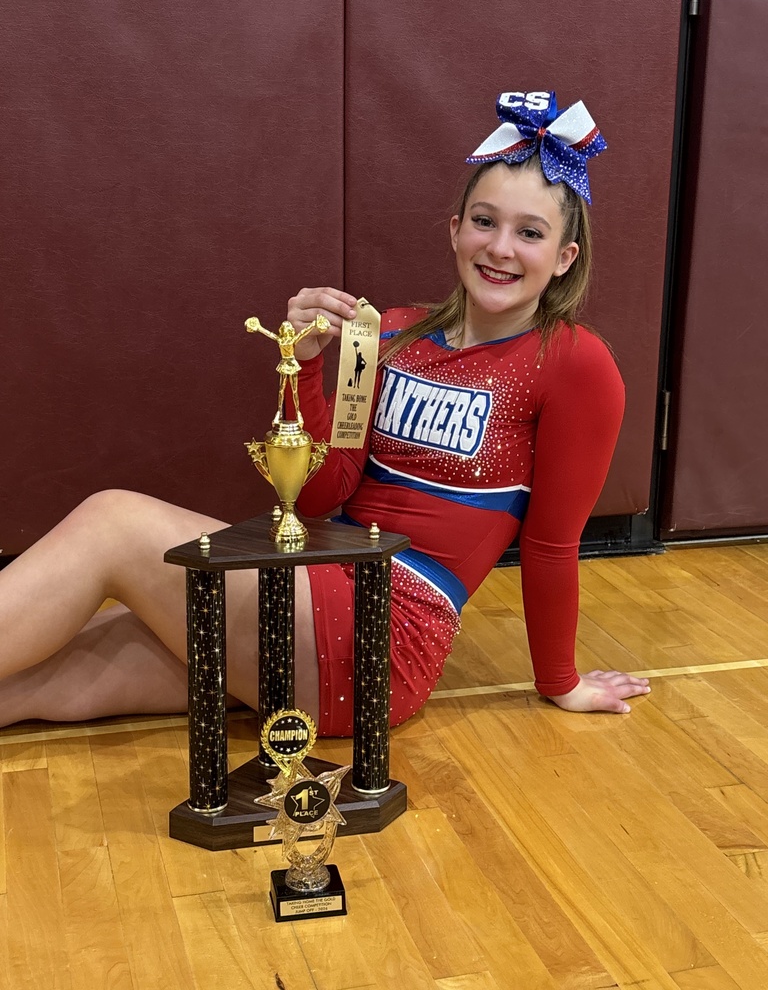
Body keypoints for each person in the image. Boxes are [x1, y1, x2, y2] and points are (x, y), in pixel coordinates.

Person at [0, 90, 650, 733]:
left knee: (114, 521)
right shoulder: (391, 333)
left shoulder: (572, 362)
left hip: (386, 633)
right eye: (484, 221)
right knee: (62, 661)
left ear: (565, 258)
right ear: (455, 230)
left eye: (529, 233)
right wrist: (308, 361)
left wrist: (560, 683)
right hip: (310, 585)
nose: (501, 247)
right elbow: (319, 498)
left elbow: (551, 543)